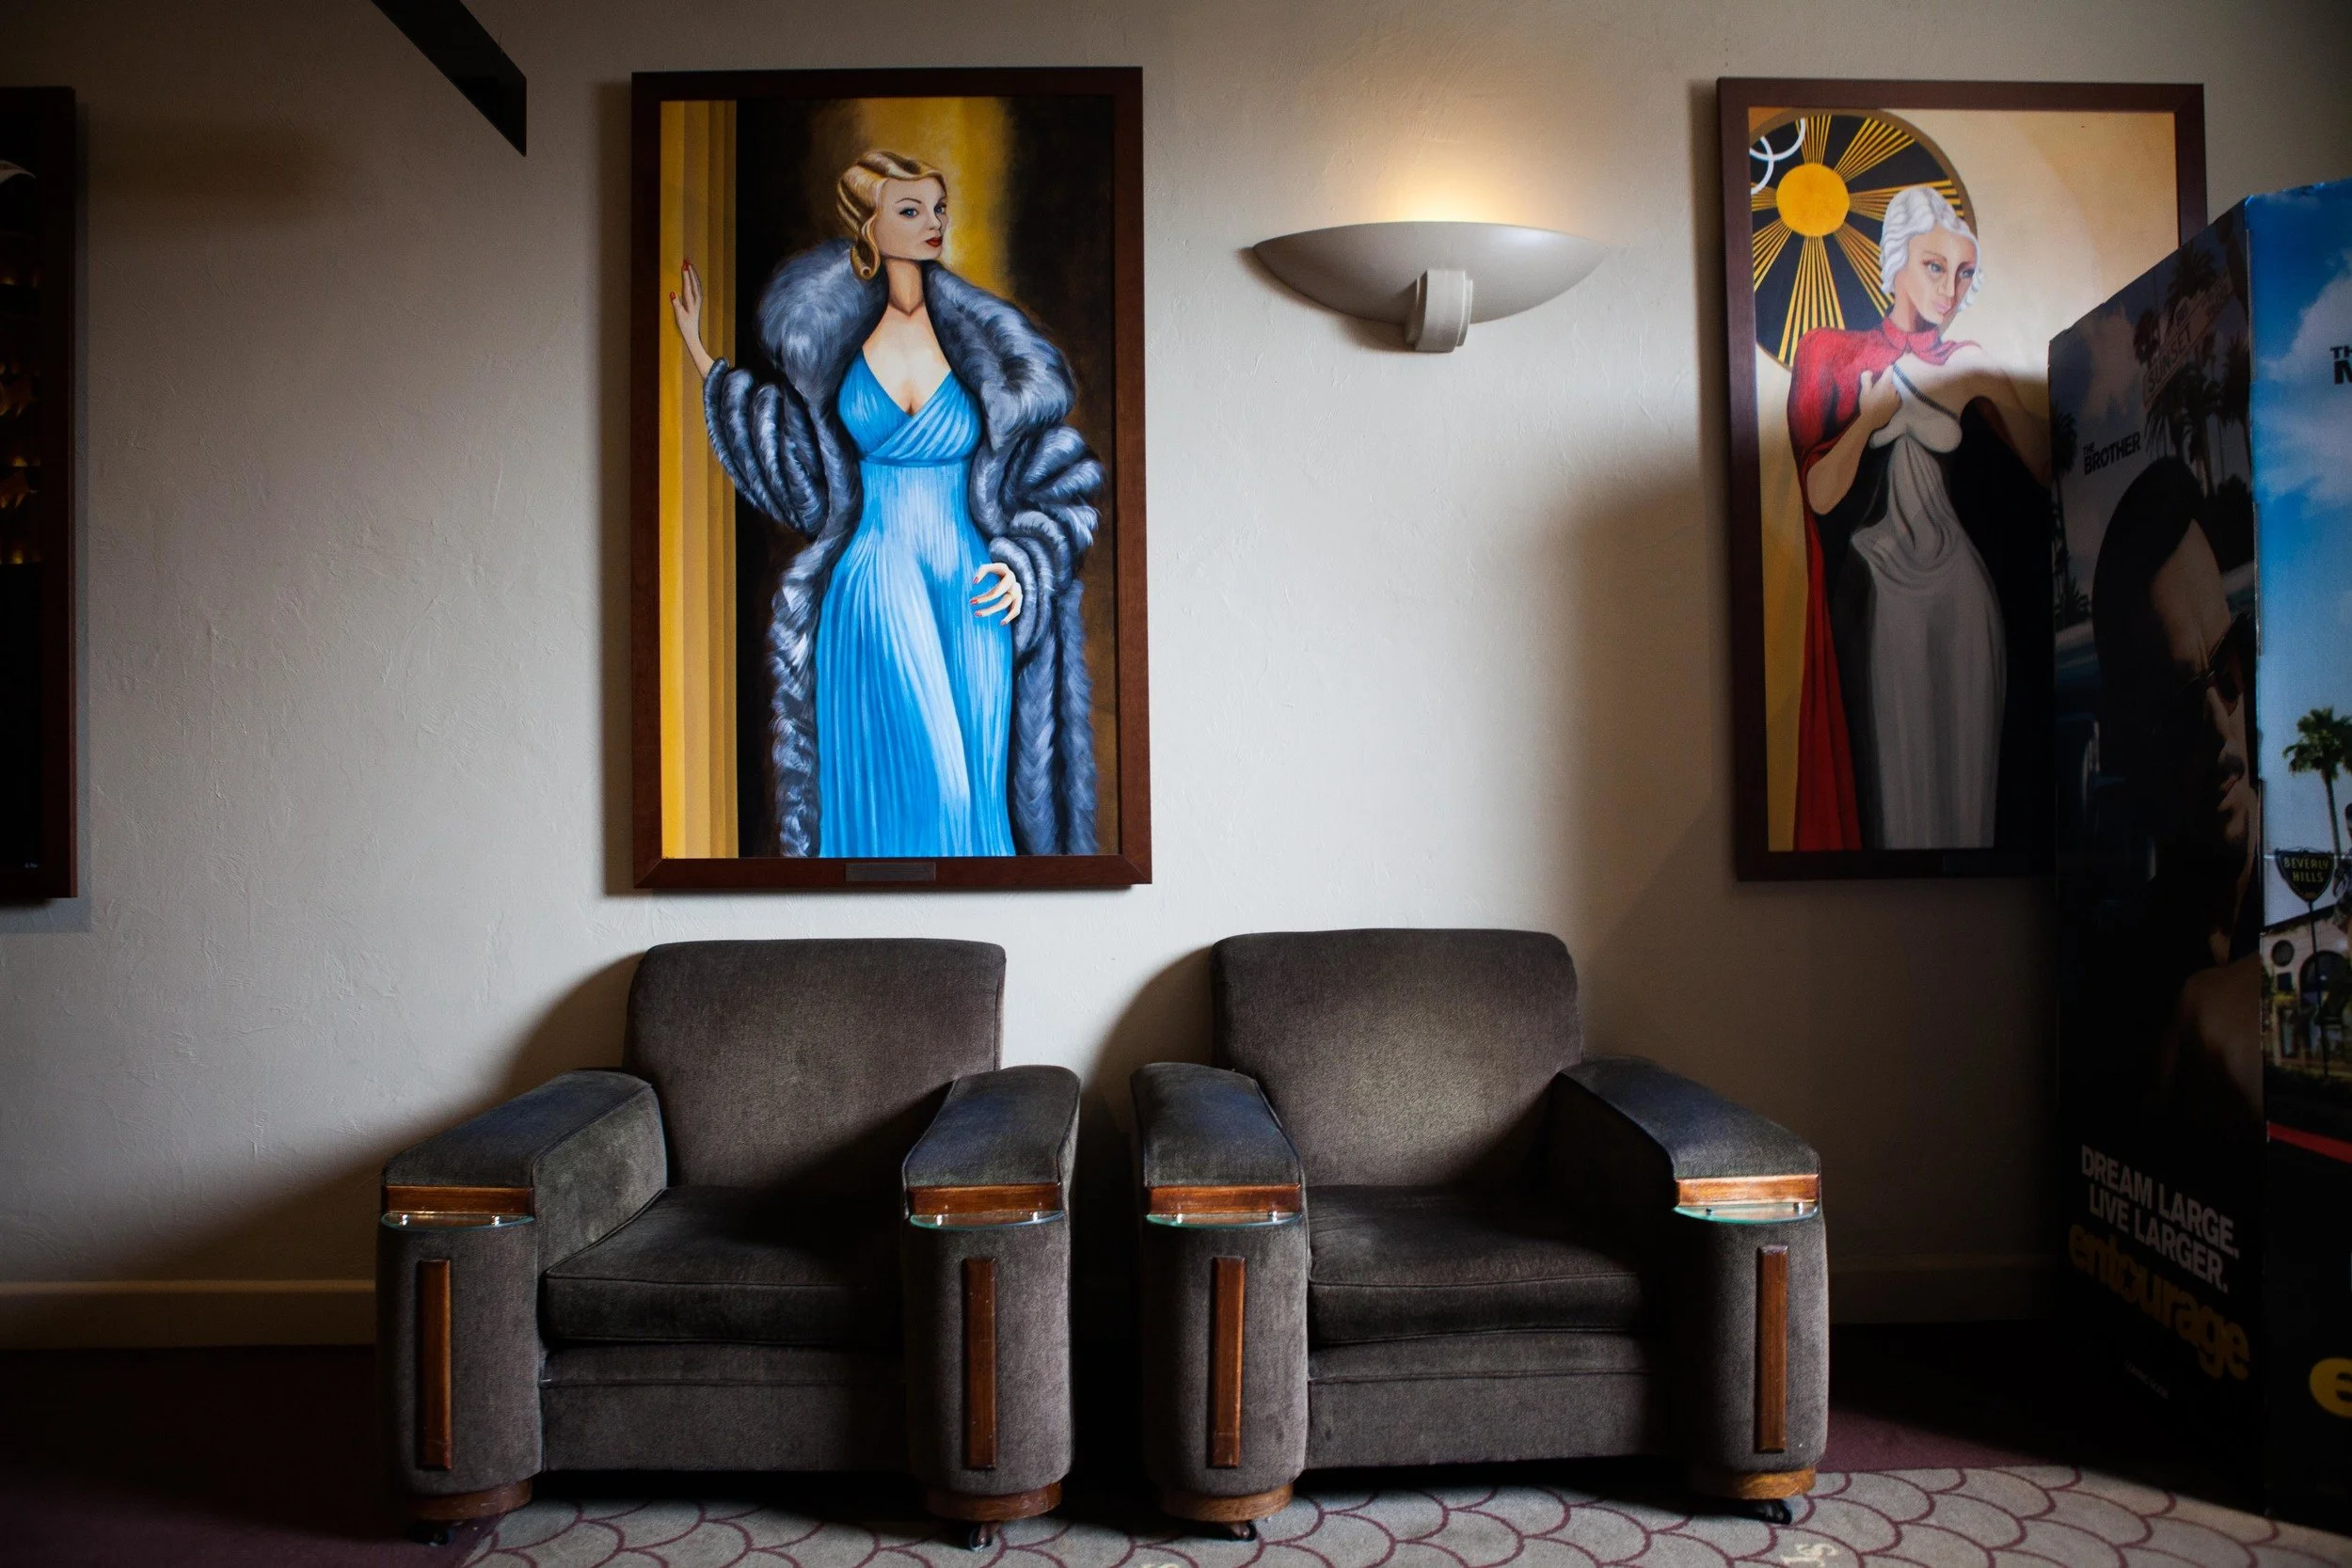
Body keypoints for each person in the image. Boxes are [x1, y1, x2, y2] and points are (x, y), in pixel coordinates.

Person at [670, 150, 1101, 858]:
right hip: (875, 575)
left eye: (938, 208)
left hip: (973, 587)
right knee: (934, 792)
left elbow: (1061, 477)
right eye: (910, 209)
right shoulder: (831, 345)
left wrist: (1025, 565)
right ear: (868, 225)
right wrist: (698, 354)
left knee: (977, 802)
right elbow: (784, 447)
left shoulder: (988, 347)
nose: (933, 222)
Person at [1787, 185, 2050, 850]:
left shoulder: (1965, 362)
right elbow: (1819, 496)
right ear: (1896, 260)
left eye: (1963, 274)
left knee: (1971, 802)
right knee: (1901, 807)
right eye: (1934, 267)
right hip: (1885, 597)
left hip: (1964, 592)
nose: (1949, 289)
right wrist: (1867, 422)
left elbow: (2050, 471)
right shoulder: (1833, 354)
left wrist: (1992, 382)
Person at [2089, 457, 2263, 1135]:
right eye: (2178, 702)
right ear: (2127, 745)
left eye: (2231, 663)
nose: (2220, 723)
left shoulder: (2315, 912)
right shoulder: (2122, 992)